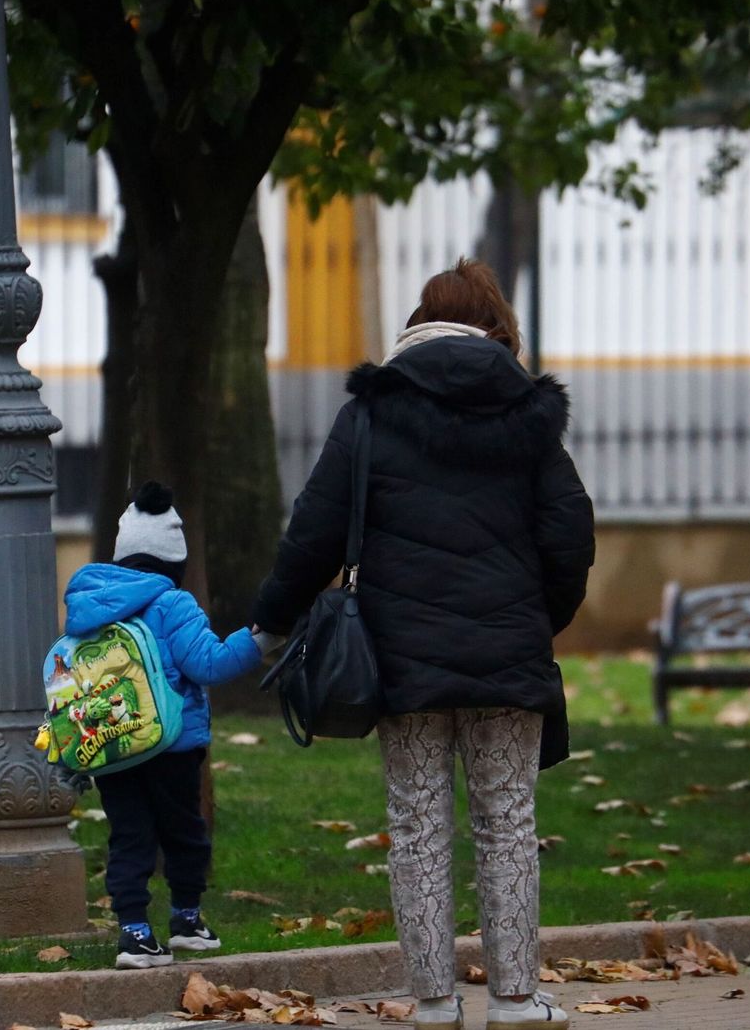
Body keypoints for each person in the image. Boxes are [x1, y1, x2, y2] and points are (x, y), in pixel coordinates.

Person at [252, 259, 595, 1029]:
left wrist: (272, 616)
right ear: (496, 326)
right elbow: (570, 530)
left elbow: (314, 526)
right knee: (507, 823)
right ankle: (515, 1001)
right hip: (507, 650)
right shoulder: (528, 410)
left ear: (418, 322)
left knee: (416, 825)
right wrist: (538, 619)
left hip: (399, 656)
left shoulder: (374, 409)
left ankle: (435, 1002)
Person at [63, 482, 263, 969]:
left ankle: (133, 933)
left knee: (128, 836)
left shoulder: (89, 603)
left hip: (111, 745)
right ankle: (187, 920)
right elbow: (210, 664)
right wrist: (260, 640)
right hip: (171, 745)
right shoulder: (174, 604)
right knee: (183, 831)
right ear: (176, 560)